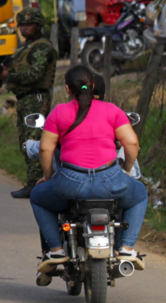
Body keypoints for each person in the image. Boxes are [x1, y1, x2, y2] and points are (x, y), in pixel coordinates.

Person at [30, 65, 147, 271]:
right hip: (110, 180)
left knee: (37, 197)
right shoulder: (112, 110)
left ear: (68, 89)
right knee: (140, 194)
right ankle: (127, 248)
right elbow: (131, 143)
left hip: (70, 183)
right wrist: (127, 169)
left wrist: (48, 177)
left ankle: (56, 250)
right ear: (92, 86)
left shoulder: (59, 112)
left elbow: (45, 149)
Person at [1, 8, 59, 199]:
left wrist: (10, 76)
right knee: (25, 141)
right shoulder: (27, 47)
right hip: (25, 99)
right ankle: (34, 181)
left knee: (34, 140)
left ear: (38, 26)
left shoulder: (42, 48)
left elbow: (36, 74)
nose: (24, 28)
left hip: (36, 98)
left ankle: (36, 183)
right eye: (22, 25)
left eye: (29, 24)